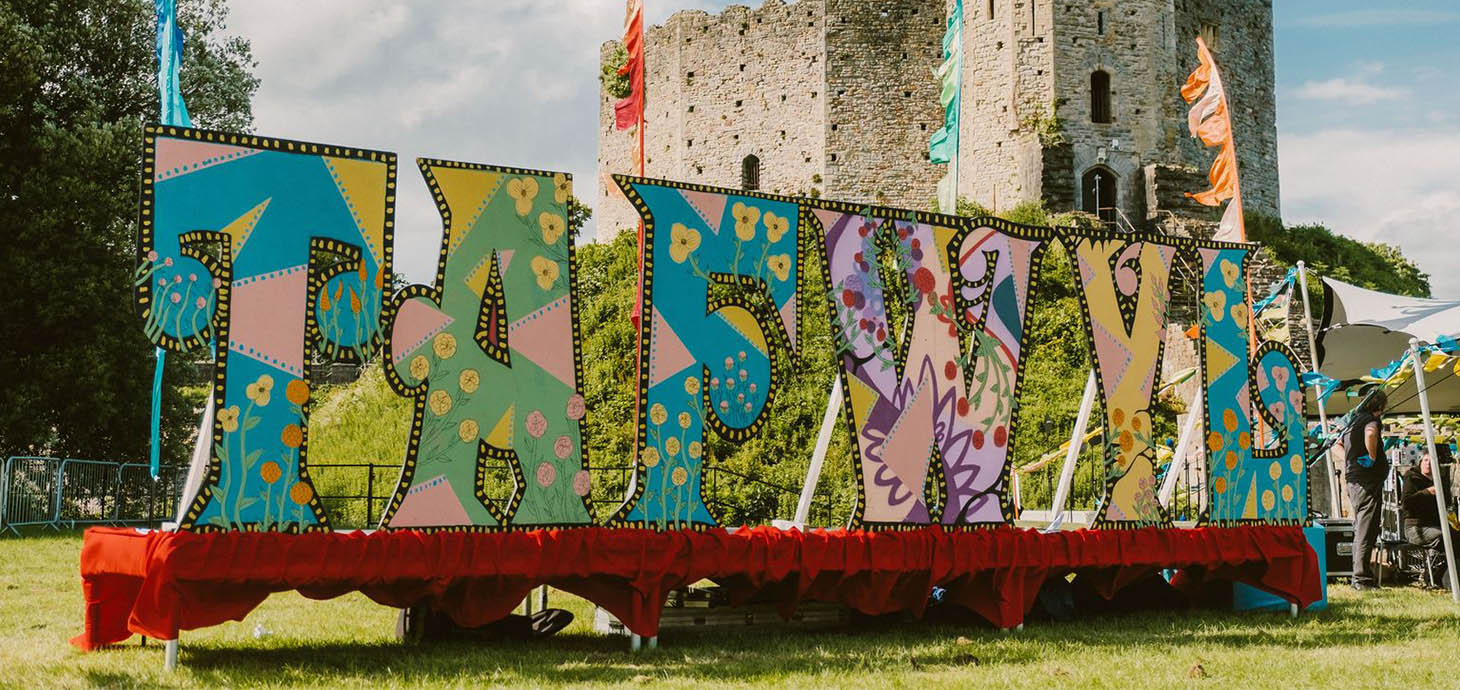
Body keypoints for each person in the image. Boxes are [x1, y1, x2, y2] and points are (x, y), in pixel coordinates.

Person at [1343, 390, 1387, 591]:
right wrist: (1371, 457)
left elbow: (1337, 445)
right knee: (1366, 530)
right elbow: (1371, 432)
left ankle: (1359, 576)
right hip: (1367, 482)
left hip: (1354, 480)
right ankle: (1361, 579)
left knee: (1361, 527)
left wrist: (1349, 463)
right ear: (1380, 406)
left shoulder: (1352, 421)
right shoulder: (1370, 420)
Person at [1401, 451, 1460, 587]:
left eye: (1431, 461)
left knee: (1455, 536)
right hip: (1416, 528)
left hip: (1436, 525)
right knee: (1445, 536)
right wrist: (1427, 492)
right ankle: (1442, 579)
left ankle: (1446, 578)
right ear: (1420, 463)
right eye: (1425, 460)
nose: (1428, 463)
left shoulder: (1440, 482)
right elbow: (1406, 503)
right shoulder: (1412, 478)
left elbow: (1447, 508)